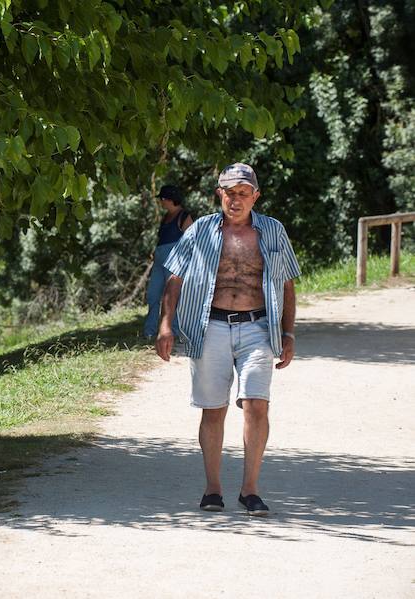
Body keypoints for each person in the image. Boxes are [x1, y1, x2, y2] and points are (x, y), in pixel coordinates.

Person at [155, 163, 299, 517]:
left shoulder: (273, 231)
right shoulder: (200, 230)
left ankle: (250, 490)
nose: (235, 200)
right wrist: (165, 325)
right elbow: (174, 278)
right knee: (213, 408)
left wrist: (289, 331)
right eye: (229, 192)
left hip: (258, 327)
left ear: (255, 196)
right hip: (211, 327)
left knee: (256, 404)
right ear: (219, 194)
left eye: (243, 193)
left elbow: (287, 283)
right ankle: (213, 489)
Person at [143, 185, 193, 338]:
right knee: (153, 295)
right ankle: (149, 332)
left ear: (170, 199)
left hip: (175, 261)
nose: (161, 202)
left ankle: (176, 332)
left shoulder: (184, 216)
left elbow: (192, 241)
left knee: (172, 296)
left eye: (162, 199)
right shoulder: (165, 217)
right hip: (159, 260)